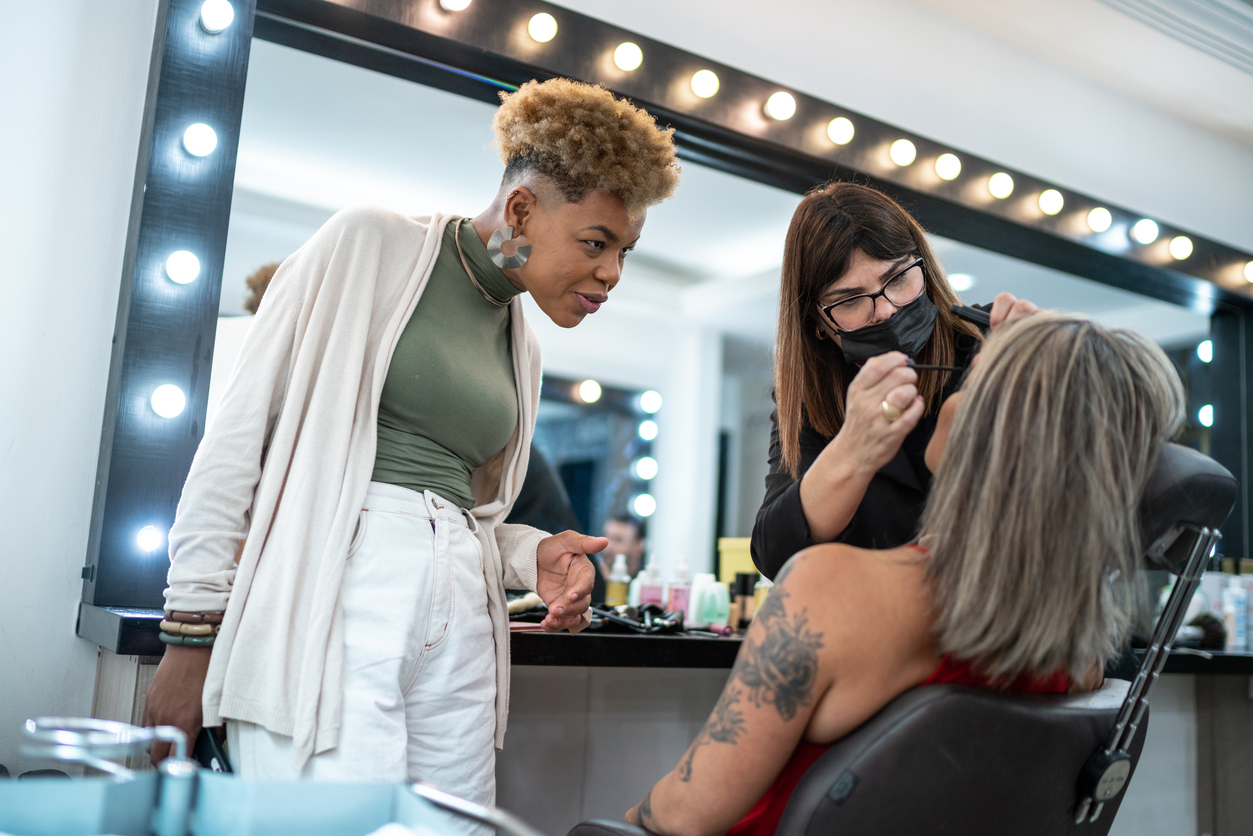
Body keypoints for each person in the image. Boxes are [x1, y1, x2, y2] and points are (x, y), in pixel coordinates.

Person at [142, 77, 681, 811]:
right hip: (332, 598)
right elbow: (235, 446)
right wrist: (189, 635)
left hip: (460, 621)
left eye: (625, 249)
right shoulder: (370, 244)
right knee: (334, 826)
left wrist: (529, 553)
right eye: (596, 242)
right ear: (521, 208)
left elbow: (454, 515)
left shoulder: (520, 340)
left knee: (451, 828)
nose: (612, 272)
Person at [626, 312, 1185, 835]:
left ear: (993, 430)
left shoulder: (833, 592)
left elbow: (685, 814)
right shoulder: (1083, 649)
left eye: (972, 378)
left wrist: (626, 819)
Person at [751, 182, 1038, 579]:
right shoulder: (806, 402)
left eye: (899, 278)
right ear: (816, 322)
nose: (886, 310)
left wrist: (1052, 366)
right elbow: (774, 552)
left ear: (922, 264)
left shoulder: (993, 344)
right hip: (886, 628)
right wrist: (853, 448)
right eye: (850, 300)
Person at [600, 513, 647, 578]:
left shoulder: (645, 583)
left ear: (638, 546)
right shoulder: (591, 578)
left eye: (618, 540)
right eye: (606, 537)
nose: (608, 547)